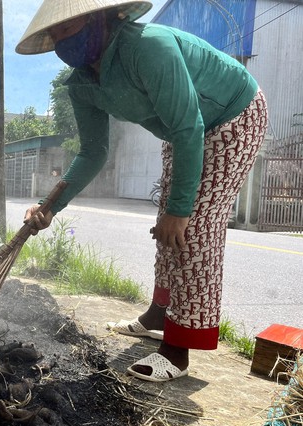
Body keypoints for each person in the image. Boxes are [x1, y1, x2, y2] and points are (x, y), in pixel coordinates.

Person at [17, 0, 268, 382]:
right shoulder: (82, 83)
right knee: (166, 223)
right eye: (54, 34)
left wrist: (181, 209)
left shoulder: (149, 46)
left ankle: (178, 350)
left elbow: (189, 127)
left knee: (193, 226)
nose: (60, 40)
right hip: (183, 130)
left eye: (68, 28)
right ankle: (158, 315)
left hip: (232, 115)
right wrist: (49, 206)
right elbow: (92, 152)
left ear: (99, 19)